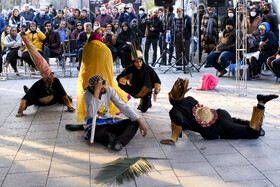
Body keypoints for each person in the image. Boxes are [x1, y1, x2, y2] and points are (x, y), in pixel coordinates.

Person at [160, 78, 279, 145]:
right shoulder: (190, 99)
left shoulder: (174, 112)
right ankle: (253, 125)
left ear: (171, 98)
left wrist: (173, 139)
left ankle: (261, 103)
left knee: (253, 134)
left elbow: (179, 121)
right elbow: (194, 116)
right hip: (220, 113)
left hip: (219, 128)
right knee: (235, 123)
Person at [70, 75, 147, 151]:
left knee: (134, 122)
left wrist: (139, 120)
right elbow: (92, 114)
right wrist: (96, 93)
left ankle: (118, 142)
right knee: (106, 136)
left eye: (105, 85)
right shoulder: (87, 95)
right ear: (95, 89)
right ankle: (114, 140)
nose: (105, 88)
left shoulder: (109, 90)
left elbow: (123, 106)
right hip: (96, 126)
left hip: (110, 122)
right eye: (102, 87)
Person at [17, 32, 74, 117]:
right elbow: (24, 100)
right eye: (50, 75)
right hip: (40, 101)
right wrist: (20, 112)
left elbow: (63, 94)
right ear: (45, 77)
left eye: (52, 74)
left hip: (52, 99)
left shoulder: (56, 81)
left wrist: (70, 107)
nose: (52, 76)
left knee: (68, 99)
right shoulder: (38, 85)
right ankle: (27, 90)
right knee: (29, 93)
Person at [76, 31, 129, 123]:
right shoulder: (105, 49)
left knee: (90, 97)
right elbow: (109, 65)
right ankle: (106, 114)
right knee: (106, 94)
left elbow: (84, 63)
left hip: (88, 77)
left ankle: (92, 114)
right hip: (103, 78)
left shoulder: (86, 47)